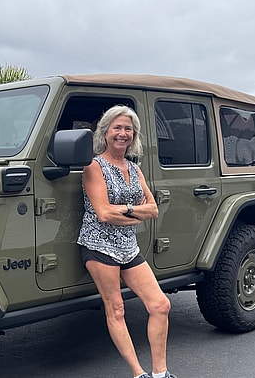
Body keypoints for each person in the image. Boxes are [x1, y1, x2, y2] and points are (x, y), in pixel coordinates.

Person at [77, 105, 176, 378]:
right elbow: (103, 212)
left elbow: (153, 209)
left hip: (128, 247)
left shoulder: (134, 168)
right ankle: (138, 373)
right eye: (117, 128)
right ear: (105, 132)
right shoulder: (94, 166)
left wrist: (126, 212)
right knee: (117, 308)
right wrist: (134, 211)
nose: (122, 134)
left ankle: (160, 372)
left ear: (134, 135)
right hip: (99, 246)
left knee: (160, 305)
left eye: (128, 129)